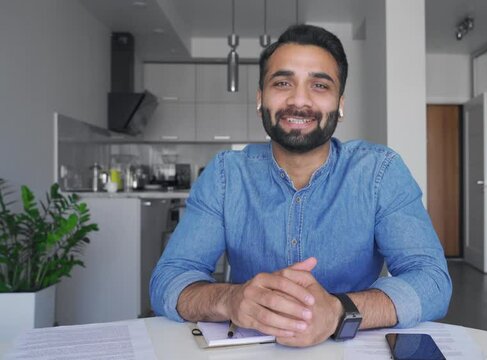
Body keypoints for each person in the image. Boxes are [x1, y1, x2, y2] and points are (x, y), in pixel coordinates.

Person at [150, 24, 451, 348]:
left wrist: (340, 310)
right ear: (260, 98)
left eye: (319, 85)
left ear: (340, 104)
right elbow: (169, 279)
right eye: (282, 82)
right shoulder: (225, 174)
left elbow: (432, 281)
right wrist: (230, 299)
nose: (299, 100)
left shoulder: (380, 171)